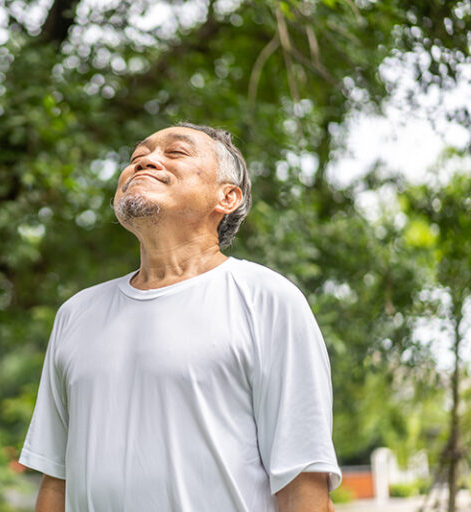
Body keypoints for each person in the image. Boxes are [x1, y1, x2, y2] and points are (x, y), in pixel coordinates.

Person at [19, 123, 341, 511]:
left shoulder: (267, 299)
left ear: (227, 197)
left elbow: (303, 484)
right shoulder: (76, 314)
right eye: (136, 157)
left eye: (175, 153)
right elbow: (57, 481)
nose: (145, 162)